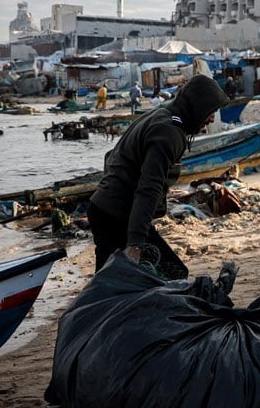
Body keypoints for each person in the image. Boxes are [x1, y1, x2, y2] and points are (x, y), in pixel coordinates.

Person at [86, 75, 229, 274]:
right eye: (210, 111)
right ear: (197, 107)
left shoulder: (162, 115)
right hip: (115, 217)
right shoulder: (169, 132)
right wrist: (136, 243)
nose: (212, 118)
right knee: (171, 274)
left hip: (106, 209)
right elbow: (149, 189)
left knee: (110, 282)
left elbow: (111, 157)